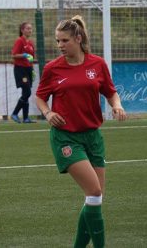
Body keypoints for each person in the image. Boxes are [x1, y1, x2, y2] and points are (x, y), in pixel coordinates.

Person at [35, 15, 126, 248]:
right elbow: (40, 97)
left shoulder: (97, 64)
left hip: (93, 136)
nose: (60, 45)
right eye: (57, 41)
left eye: (64, 40)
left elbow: (110, 91)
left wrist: (117, 105)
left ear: (78, 38)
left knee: (95, 198)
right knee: (94, 190)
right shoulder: (52, 68)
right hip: (65, 136)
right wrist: (47, 113)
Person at [10, 21, 36, 123]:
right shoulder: (19, 41)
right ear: (22, 30)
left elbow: (31, 58)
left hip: (28, 69)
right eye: (27, 28)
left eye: (31, 28)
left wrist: (32, 69)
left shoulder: (30, 43)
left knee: (26, 92)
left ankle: (25, 118)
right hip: (20, 69)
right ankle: (15, 113)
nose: (30, 30)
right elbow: (14, 55)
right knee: (27, 92)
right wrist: (24, 55)